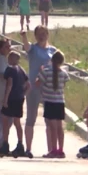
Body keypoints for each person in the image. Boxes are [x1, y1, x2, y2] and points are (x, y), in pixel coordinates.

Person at [20, 25, 57, 158]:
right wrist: (24, 36)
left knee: (50, 120)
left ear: (48, 34)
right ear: (35, 36)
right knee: (31, 118)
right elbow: (26, 46)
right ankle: (28, 148)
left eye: (44, 33)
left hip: (48, 89)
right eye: (39, 34)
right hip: (33, 87)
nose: (42, 36)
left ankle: (51, 149)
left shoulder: (53, 51)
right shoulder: (33, 49)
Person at [36, 51, 69, 158]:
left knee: (52, 127)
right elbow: (63, 86)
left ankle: (53, 149)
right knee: (60, 127)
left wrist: (39, 72)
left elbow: (37, 84)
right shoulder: (64, 73)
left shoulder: (45, 72)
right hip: (60, 102)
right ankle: (61, 149)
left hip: (49, 102)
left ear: (51, 60)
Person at [0, 51, 30, 157]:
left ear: (12, 59)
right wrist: (23, 94)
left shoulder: (10, 69)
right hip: (19, 99)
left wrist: (5, 99)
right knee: (17, 122)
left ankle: (5, 144)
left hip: (11, 98)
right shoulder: (21, 70)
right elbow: (28, 85)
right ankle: (20, 144)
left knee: (5, 121)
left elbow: (9, 84)